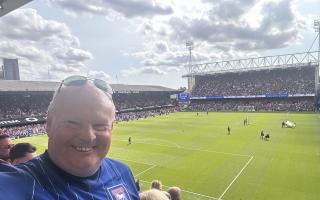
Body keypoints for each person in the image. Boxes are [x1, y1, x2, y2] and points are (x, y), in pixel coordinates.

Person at [0, 75, 139, 200]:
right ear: (49, 124)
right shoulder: (17, 185)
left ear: (111, 129)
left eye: (100, 125)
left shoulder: (123, 173)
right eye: (73, 123)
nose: (88, 136)